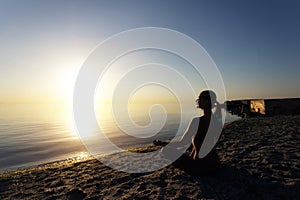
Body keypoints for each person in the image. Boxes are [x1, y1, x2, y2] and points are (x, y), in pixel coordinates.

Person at [153, 90, 223, 161]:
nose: (198, 101)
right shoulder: (217, 121)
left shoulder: (197, 121)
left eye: (200, 98)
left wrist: (162, 143)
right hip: (215, 163)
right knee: (192, 145)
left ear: (207, 101)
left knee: (165, 150)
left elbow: (182, 143)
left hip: (201, 165)